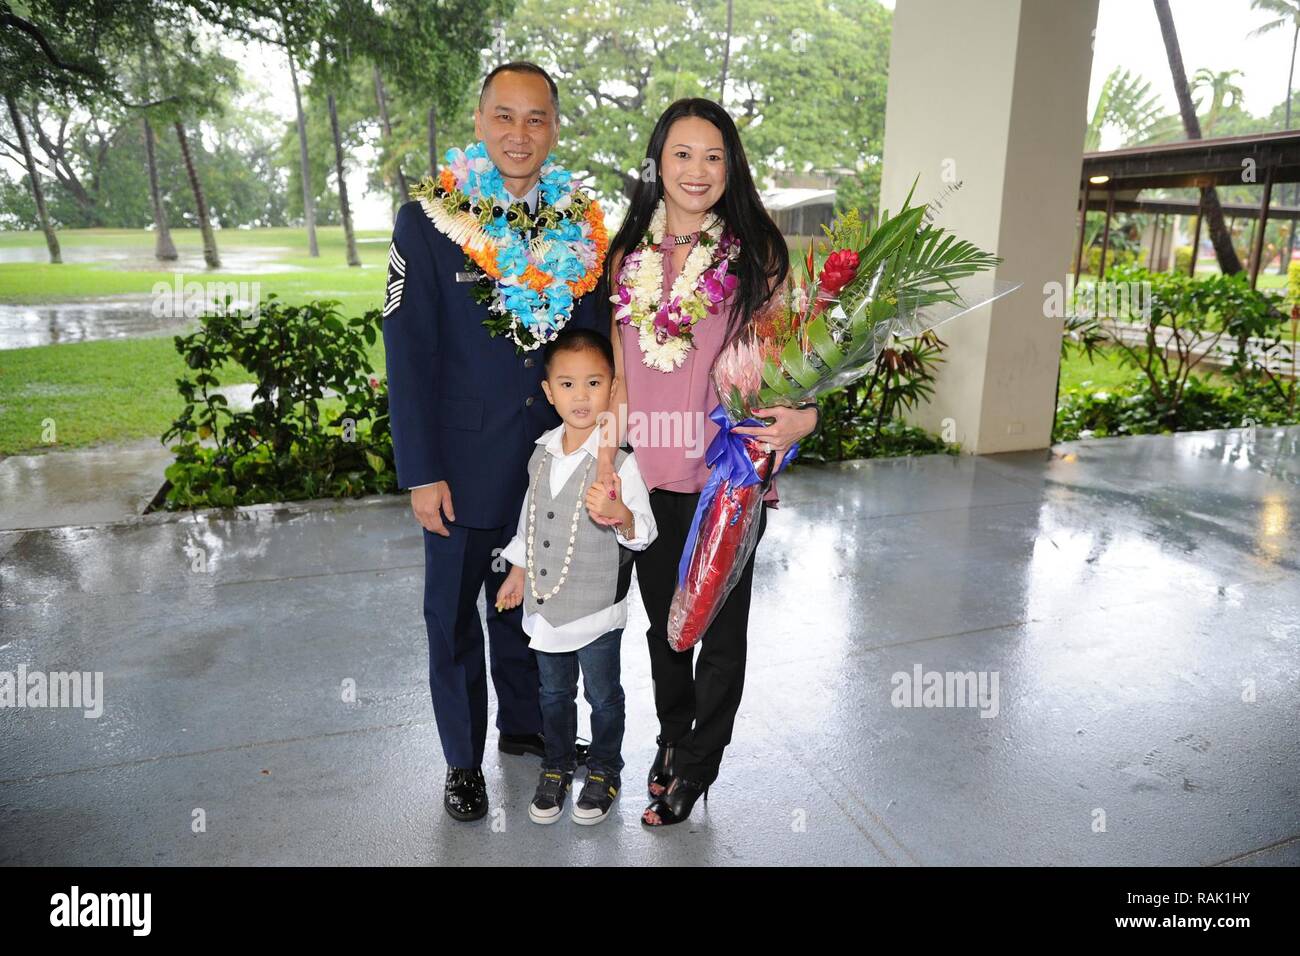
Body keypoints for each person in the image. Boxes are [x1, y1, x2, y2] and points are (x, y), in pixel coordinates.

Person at [382, 62, 611, 823]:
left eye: (536, 118)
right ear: (479, 121)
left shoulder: (580, 226)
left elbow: (594, 348)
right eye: (504, 116)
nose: (520, 133)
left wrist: (596, 448)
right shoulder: (428, 220)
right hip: (456, 466)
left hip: (545, 463)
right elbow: (407, 352)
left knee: (530, 608)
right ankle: (460, 761)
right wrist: (420, 471)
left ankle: (524, 730)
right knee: (450, 621)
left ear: (554, 128)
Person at [592, 98, 821, 827]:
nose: (697, 170)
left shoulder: (758, 257)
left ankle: (696, 768)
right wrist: (606, 464)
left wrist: (807, 417)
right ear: (658, 160)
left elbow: (800, 363)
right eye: (682, 154)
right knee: (666, 631)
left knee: (720, 636)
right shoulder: (625, 257)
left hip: (727, 476)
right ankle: (670, 737)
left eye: (714, 156)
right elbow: (619, 375)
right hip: (649, 476)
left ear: (733, 167)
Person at [495, 327, 657, 825]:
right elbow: (532, 514)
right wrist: (517, 571)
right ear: (548, 392)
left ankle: (605, 767)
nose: (580, 395)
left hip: (597, 612)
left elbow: (644, 533)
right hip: (545, 607)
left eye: (593, 383)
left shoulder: (621, 464)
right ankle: (558, 764)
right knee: (552, 693)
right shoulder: (541, 452)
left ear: (613, 390)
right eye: (567, 384)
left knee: (603, 694)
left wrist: (621, 517)